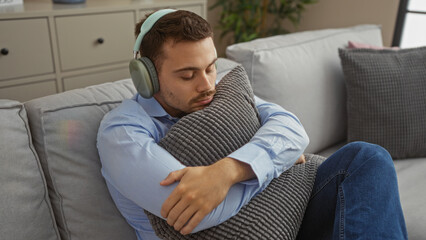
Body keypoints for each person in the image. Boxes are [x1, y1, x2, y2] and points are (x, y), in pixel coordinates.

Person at [97, 9, 407, 240]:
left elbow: (292, 130)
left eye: (210, 68)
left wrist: (228, 172)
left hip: (286, 217)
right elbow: (203, 212)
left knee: (367, 158)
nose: (206, 85)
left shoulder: (221, 96)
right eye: (187, 75)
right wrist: (280, 163)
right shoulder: (122, 133)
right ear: (146, 77)